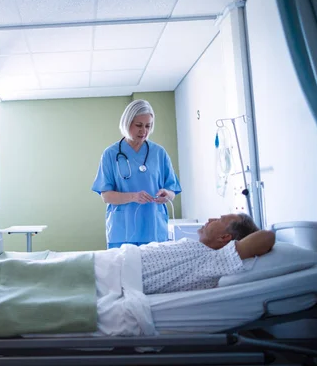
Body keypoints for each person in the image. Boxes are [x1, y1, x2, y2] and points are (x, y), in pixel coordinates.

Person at [92, 99, 181, 248]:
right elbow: (106, 196)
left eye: (148, 126)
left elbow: (172, 191)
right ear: (127, 123)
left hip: (154, 228)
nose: (144, 131)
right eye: (138, 125)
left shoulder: (159, 153)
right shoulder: (110, 154)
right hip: (122, 230)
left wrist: (167, 195)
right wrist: (134, 196)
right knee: (123, 271)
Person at [139, 213, 273, 295]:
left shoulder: (214, 260)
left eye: (219, 220)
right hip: (123, 258)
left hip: (124, 274)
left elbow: (267, 237)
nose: (210, 219)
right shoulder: (197, 247)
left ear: (224, 237)